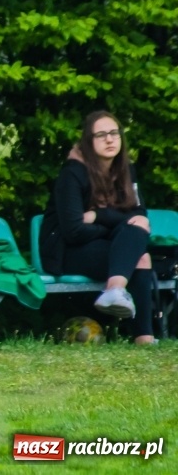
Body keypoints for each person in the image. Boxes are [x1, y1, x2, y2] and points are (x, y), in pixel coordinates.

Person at [39, 110, 155, 344]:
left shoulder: (126, 170)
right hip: (67, 250)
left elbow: (138, 215)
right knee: (136, 249)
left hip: (108, 243)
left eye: (114, 133)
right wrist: (116, 225)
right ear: (89, 142)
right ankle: (116, 293)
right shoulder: (72, 174)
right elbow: (73, 232)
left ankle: (141, 334)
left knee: (140, 247)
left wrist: (98, 215)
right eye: (101, 135)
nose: (110, 140)